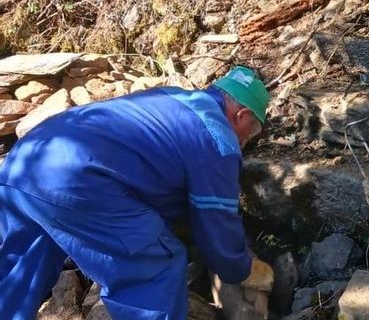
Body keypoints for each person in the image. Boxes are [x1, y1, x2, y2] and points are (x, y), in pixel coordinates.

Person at [0, 66, 272, 319]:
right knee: (156, 269)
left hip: (24, 161)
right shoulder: (218, 137)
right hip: (77, 180)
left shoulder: (173, 98)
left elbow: (147, 164)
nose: (245, 141)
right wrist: (241, 268)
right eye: (251, 133)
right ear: (242, 115)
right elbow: (217, 223)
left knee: (19, 267)